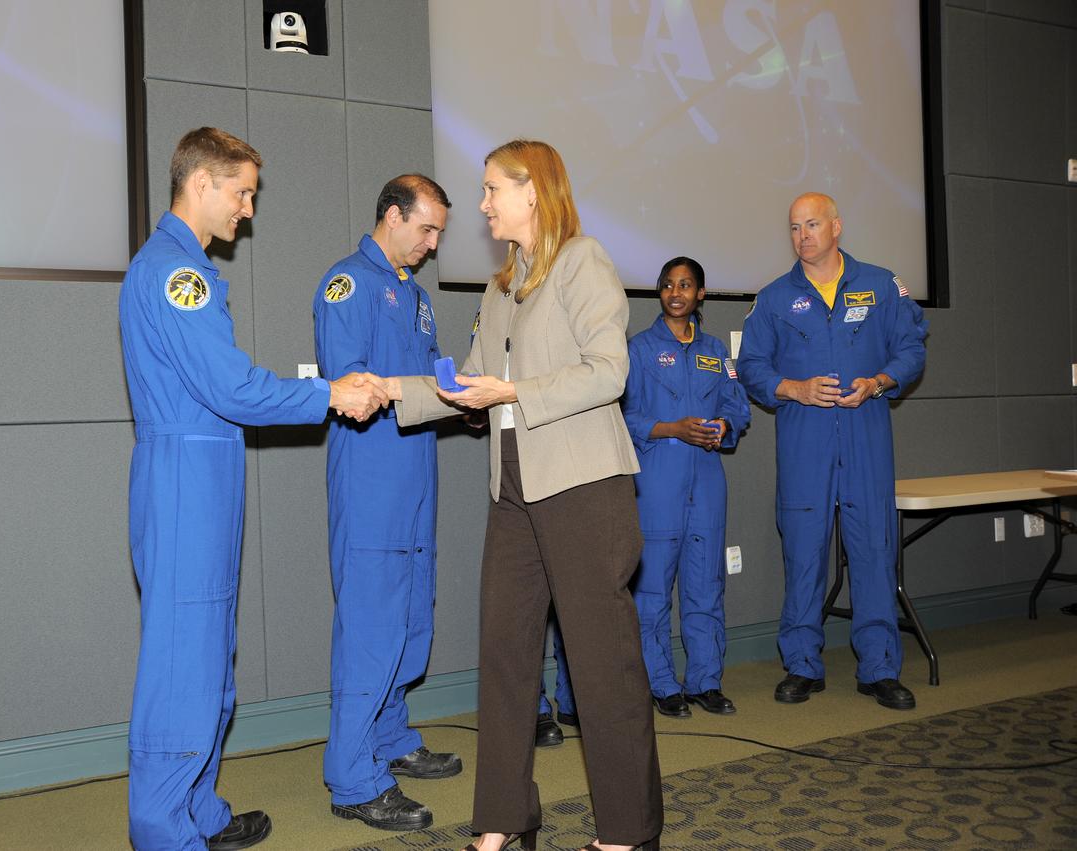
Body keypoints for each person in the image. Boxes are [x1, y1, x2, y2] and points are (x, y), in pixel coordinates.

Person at [384, 139, 662, 851]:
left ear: (532, 192)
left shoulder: (583, 262)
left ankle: (628, 830)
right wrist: (390, 390)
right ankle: (505, 818)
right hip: (513, 492)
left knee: (601, 665)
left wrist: (513, 391)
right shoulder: (501, 286)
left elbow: (608, 371)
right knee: (505, 658)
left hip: (583, 488)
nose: (481, 205)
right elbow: (467, 381)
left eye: (490, 190)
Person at [119, 127, 388, 851]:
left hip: (202, 476)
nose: (247, 209)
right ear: (201, 183)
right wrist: (330, 394)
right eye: (240, 192)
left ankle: (196, 812)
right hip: (186, 483)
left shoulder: (180, 267)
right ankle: (164, 832)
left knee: (208, 658)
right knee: (184, 666)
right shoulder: (179, 274)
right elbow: (229, 385)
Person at [737, 192, 927, 711]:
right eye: (795, 227)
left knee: (873, 551)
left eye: (813, 224)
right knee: (803, 553)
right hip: (805, 444)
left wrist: (881, 381)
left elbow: (911, 348)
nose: (803, 236)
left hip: (865, 437)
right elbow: (751, 367)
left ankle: (879, 668)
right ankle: (802, 664)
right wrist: (793, 389)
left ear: (837, 226)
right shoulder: (775, 299)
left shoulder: (881, 286)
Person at [312, 175, 462, 832]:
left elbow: (438, 371)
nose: (433, 244)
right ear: (393, 216)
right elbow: (352, 382)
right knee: (372, 628)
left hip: (416, 484)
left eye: (438, 234)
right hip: (373, 483)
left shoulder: (417, 296)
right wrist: (429, 389)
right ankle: (353, 777)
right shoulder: (346, 283)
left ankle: (391, 739)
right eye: (426, 229)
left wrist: (468, 395)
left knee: (408, 621)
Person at [621, 257, 751, 717]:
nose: (676, 292)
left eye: (686, 285)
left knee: (705, 585)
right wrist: (672, 428)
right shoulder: (637, 349)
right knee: (652, 590)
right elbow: (623, 417)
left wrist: (722, 426)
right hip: (657, 484)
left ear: (701, 294)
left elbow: (739, 411)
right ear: (659, 292)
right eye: (668, 285)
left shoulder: (717, 351)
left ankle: (704, 680)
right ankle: (661, 683)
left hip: (708, 487)